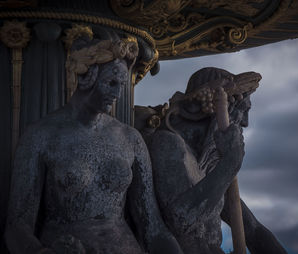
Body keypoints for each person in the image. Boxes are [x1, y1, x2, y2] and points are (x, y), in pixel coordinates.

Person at [5, 36, 183, 254]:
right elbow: (17, 226)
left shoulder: (131, 139)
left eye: (121, 85)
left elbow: (153, 227)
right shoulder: (41, 136)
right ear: (86, 77)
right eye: (111, 83)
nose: (117, 94)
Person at [143, 67, 287, 254]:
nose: (245, 122)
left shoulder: (210, 168)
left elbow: (253, 230)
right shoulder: (168, 144)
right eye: (242, 110)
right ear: (211, 109)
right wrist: (229, 164)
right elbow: (181, 220)